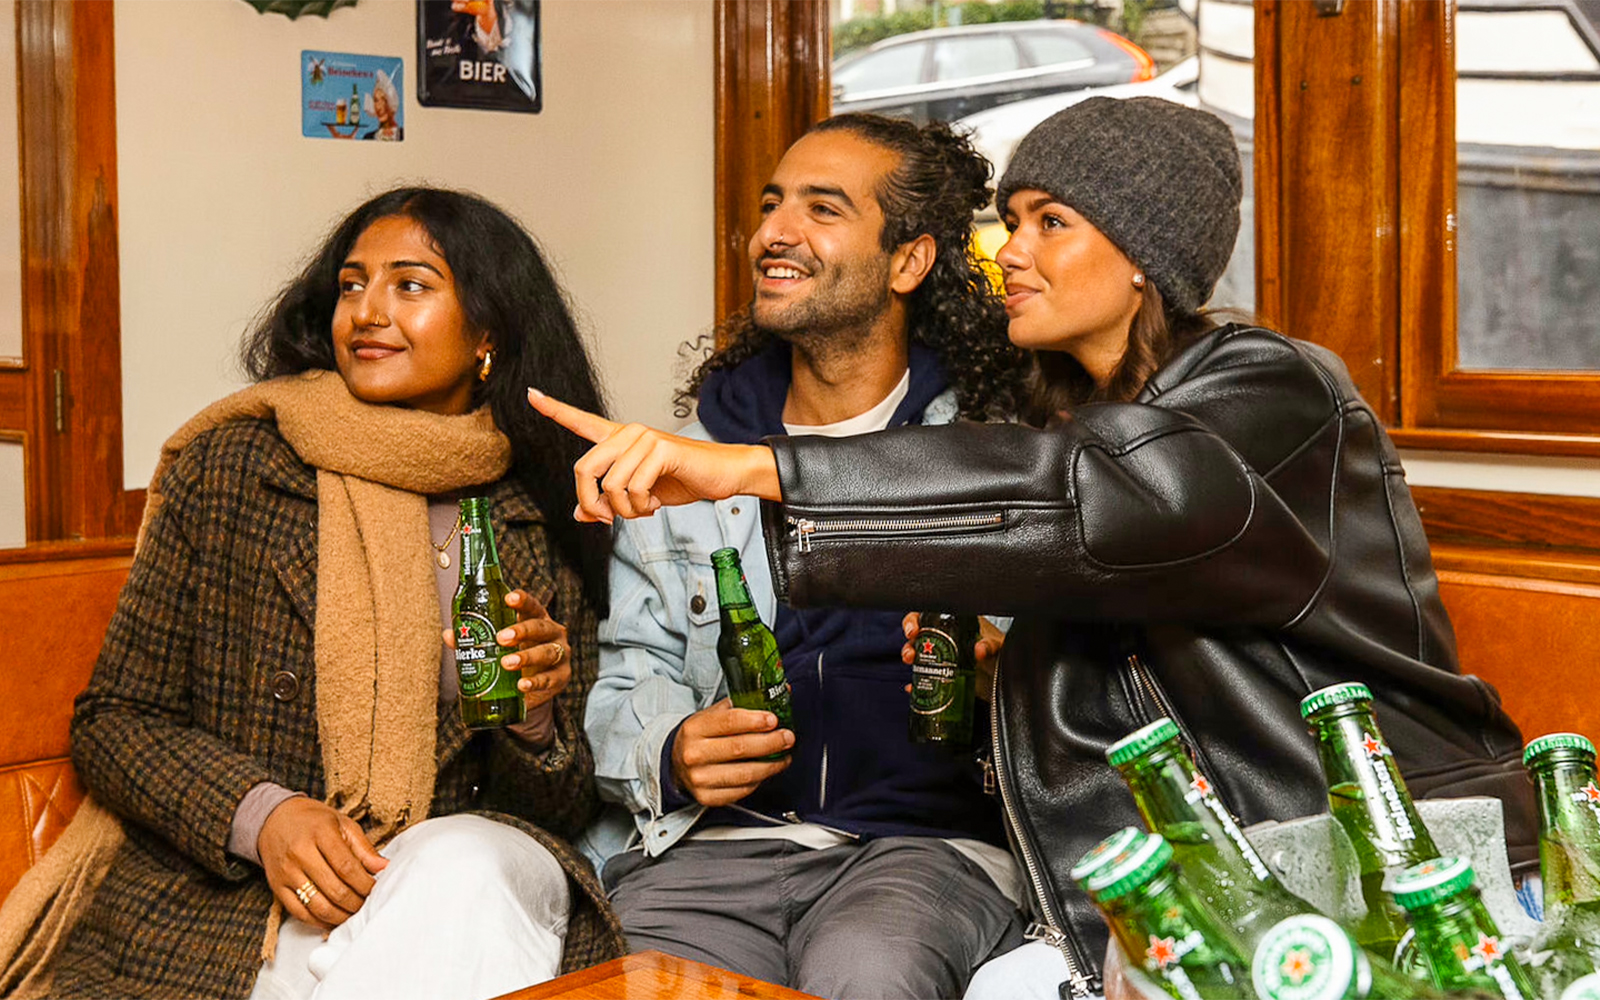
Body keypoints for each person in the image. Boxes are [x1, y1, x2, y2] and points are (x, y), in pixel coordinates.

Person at [530, 97, 1539, 999]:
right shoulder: (1063, 418)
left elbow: (1096, 495)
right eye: (1009, 221)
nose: (1007, 250)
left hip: (1383, 852)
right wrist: (1003, 675)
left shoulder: (1271, 389)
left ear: (1144, 254)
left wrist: (759, 472)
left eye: (1049, 222)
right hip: (1178, 878)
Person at [0, 187, 624, 999]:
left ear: (489, 335)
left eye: (410, 285)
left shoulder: (543, 503)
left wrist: (536, 720)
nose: (367, 311)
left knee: (464, 863)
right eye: (352, 284)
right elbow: (118, 719)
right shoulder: (232, 468)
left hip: (456, 885)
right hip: (246, 905)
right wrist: (263, 818)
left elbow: (558, 807)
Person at [579, 113, 1030, 1000]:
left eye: (823, 209)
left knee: (868, 975)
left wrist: (997, 668)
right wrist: (671, 751)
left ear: (909, 261)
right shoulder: (686, 461)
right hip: (715, 850)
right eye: (771, 205)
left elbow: (1080, 688)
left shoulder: (996, 457)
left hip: (921, 852)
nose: (774, 234)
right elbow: (629, 678)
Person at [361, 69, 402, 141]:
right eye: (376, 101)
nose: (378, 106)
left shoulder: (404, 135)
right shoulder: (368, 138)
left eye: (384, 100)